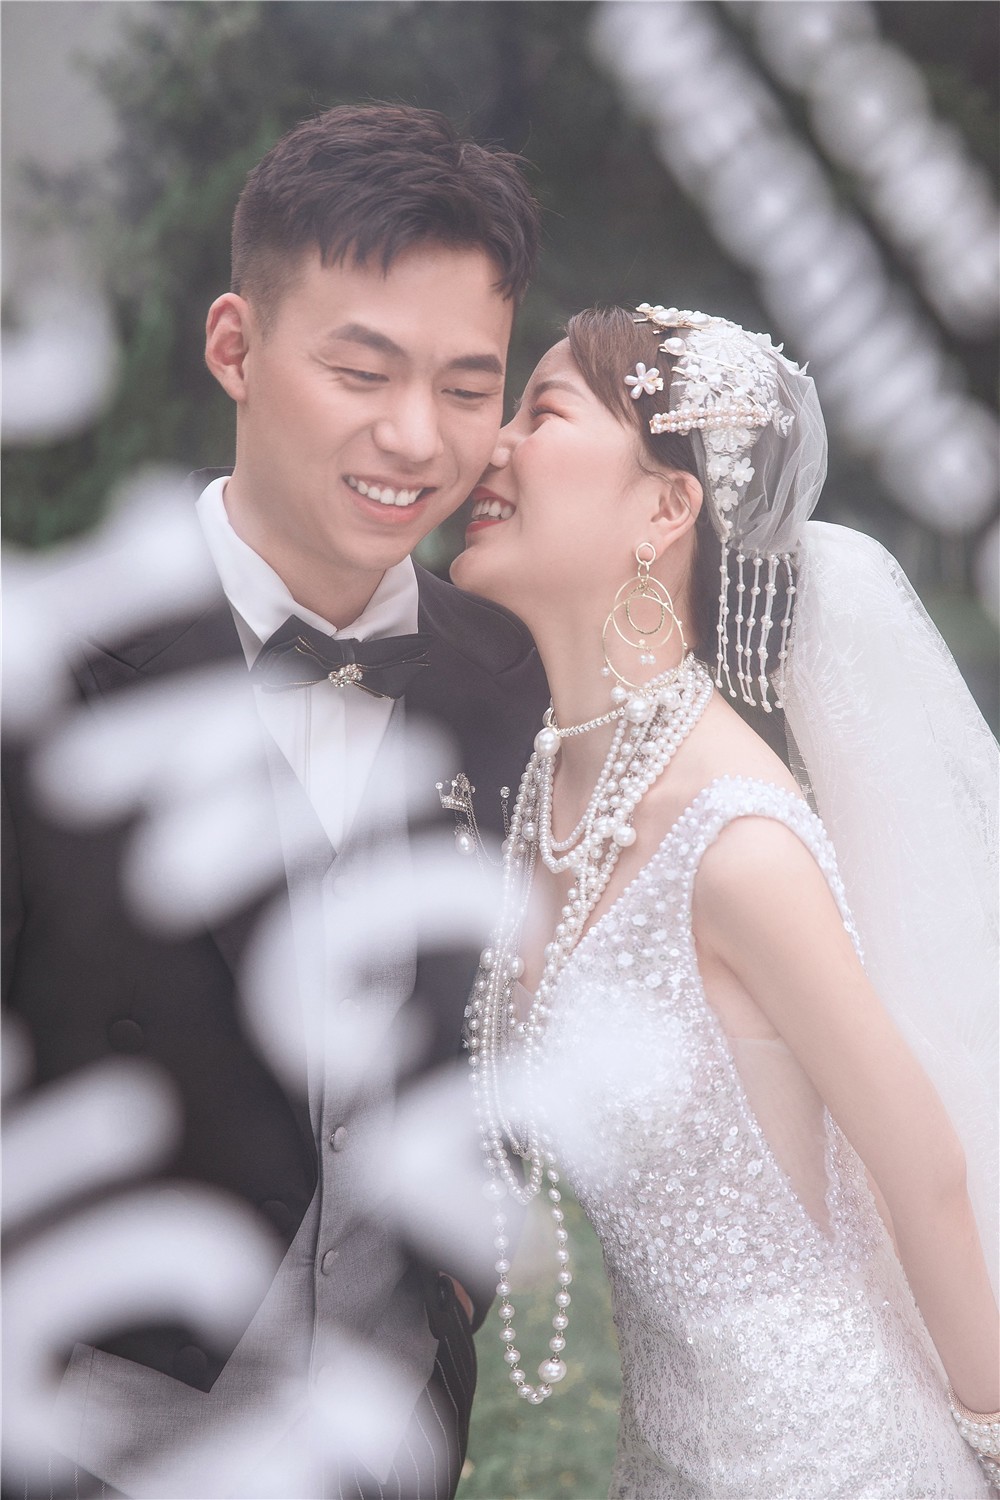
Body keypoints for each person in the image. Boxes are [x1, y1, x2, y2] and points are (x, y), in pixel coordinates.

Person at [2, 104, 548, 1498]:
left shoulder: (512, 674)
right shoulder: (49, 665)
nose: (414, 437)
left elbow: (515, 1011)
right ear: (235, 346)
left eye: (467, 386)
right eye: (361, 371)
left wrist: (458, 1285)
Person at [451, 302, 1000, 1497]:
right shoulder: (544, 790)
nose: (491, 444)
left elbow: (926, 1175)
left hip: (836, 1467)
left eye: (543, 412)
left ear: (665, 508)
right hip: (665, 1462)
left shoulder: (735, 842)